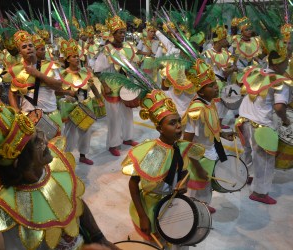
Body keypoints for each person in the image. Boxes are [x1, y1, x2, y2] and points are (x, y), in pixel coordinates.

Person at [0, 98, 118, 250]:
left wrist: (99, 238)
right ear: (19, 162)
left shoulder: (53, 167)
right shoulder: (11, 212)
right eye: (36, 141)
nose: (45, 139)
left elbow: (76, 202)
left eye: (39, 134)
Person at [122, 90, 205, 250]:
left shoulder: (182, 148)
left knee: (180, 241)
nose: (178, 126)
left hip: (174, 203)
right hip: (152, 206)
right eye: (172, 123)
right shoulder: (149, 151)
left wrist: (183, 183)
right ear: (160, 128)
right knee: (157, 245)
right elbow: (133, 184)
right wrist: (143, 216)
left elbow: (183, 172)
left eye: (179, 121)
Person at [236, 49, 292, 205]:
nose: (287, 63)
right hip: (261, 126)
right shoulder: (280, 81)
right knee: (265, 160)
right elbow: (280, 107)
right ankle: (260, 193)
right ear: (278, 62)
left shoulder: (256, 72)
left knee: (247, 151)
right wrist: (286, 120)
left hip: (242, 120)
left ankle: (244, 176)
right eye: (286, 60)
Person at [182, 59, 234, 213]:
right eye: (211, 86)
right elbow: (187, 142)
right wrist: (197, 167)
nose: (216, 87)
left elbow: (210, 129)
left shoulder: (209, 103)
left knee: (207, 184)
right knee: (196, 186)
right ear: (201, 91)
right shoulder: (196, 110)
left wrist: (223, 134)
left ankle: (203, 205)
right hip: (199, 157)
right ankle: (195, 210)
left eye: (215, 84)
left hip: (211, 152)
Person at [94, 15, 139, 156]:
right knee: (114, 118)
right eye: (120, 32)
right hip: (111, 88)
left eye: (124, 32)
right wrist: (105, 86)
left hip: (125, 87)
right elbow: (97, 71)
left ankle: (127, 138)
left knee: (128, 114)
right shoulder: (106, 50)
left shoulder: (127, 48)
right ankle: (113, 144)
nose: (123, 35)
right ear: (113, 34)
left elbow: (133, 67)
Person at [4, 30, 63, 135]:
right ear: (20, 52)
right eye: (24, 47)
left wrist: (38, 74)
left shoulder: (49, 66)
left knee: (55, 149)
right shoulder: (15, 70)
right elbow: (12, 92)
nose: (28, 48)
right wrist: (16, 109)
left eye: (30, 45)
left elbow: (59, 86)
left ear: (35, 48)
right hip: (28, 118)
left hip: (50, 116)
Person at [59, 38, 103, 165]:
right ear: (67, 59)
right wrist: (67, 93)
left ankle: (83, 155)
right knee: (69, 133)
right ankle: (66, 157)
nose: (77, 59)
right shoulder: (62, 74)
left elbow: (93, 86)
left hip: (85, 104)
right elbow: (56, 91)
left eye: (77, 56)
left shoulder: (85, 72)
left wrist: (99, 99)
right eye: (73, 57)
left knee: (86, 131)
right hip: (70, 107)